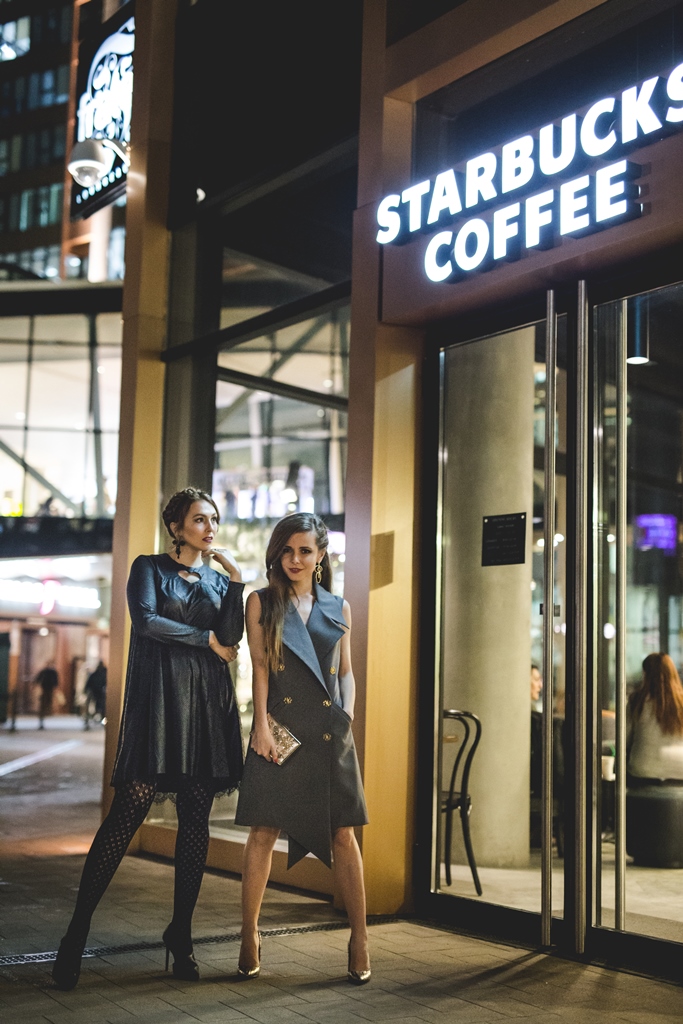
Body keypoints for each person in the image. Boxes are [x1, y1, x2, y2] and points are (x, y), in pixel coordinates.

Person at [52, 487, 245, 990]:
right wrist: (204, 640)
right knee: (129, 808)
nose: (210, 528)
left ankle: (180, 934)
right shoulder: (148, 567)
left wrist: (239, 583)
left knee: (196, 819)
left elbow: (233, 636)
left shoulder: (221, 583)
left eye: (214, 520)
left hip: (204, 706)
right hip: (158, 703)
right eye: (200, 519)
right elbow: (147, 621)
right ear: (176, 526)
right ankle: (76, 933)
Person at [235, 512, 370, 984]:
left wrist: (348, 714)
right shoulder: (261, 603)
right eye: (287, 550)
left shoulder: (340, 607)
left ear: (320, 556)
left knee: (344, 836)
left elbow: (346, 670)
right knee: (263, 832)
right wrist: (261, 729)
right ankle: (249, 933)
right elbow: (259, 671)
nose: (294, 559)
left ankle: (360, 937)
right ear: (277, 553)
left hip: (331, 734)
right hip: (281, 731)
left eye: (304, 551)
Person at [627, 652, 683, 782]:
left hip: (642, 773)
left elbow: (625, 740)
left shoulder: (637, 702)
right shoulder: (681, 703)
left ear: (645, 675)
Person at [83, 660, 107, 728]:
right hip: (102, 693)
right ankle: (104, 722)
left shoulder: (95, 673)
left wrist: (85, 690)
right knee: (103, 709)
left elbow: (89, 682)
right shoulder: (106, 673)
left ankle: (90, 721)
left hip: (94, 693)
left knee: (97, 707)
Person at [35, 661, 59, 728]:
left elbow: (55, 680)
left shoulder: (52, 672)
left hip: (49, 687)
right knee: (45, 700)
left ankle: (48, 710)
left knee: (49, 699)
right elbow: (39, 678)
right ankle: (44, 712)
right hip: (45, 687)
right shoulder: (44, 671)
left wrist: (55, 686)